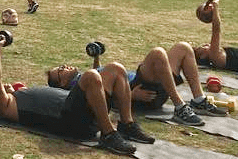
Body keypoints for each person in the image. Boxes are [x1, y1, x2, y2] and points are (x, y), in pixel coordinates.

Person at [0, 36, 154, 155]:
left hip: (82, 109)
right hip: (69, 120)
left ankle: (127, 124)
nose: (4, 85)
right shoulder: (4, 105)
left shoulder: (22, 93)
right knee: (91, 76)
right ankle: (108, 134)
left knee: (116, 69)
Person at [52, 43, 227, 127]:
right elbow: (99, 100)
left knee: (184, 48)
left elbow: (101, 77)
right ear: (63, 83)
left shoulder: (84, 77)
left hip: (147, 84)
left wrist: (96, 57)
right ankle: (180, 107)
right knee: (157, 54)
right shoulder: (78, 89)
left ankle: (198, 100)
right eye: (60, 70)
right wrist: (129, 96)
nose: (64, 66)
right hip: (138, 91)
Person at [193, 0, 238, 72]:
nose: (207, 44)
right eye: (203, 47)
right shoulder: (215, 57)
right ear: (203, 56)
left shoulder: (220, 55)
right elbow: (216, 29)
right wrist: (215, 8)